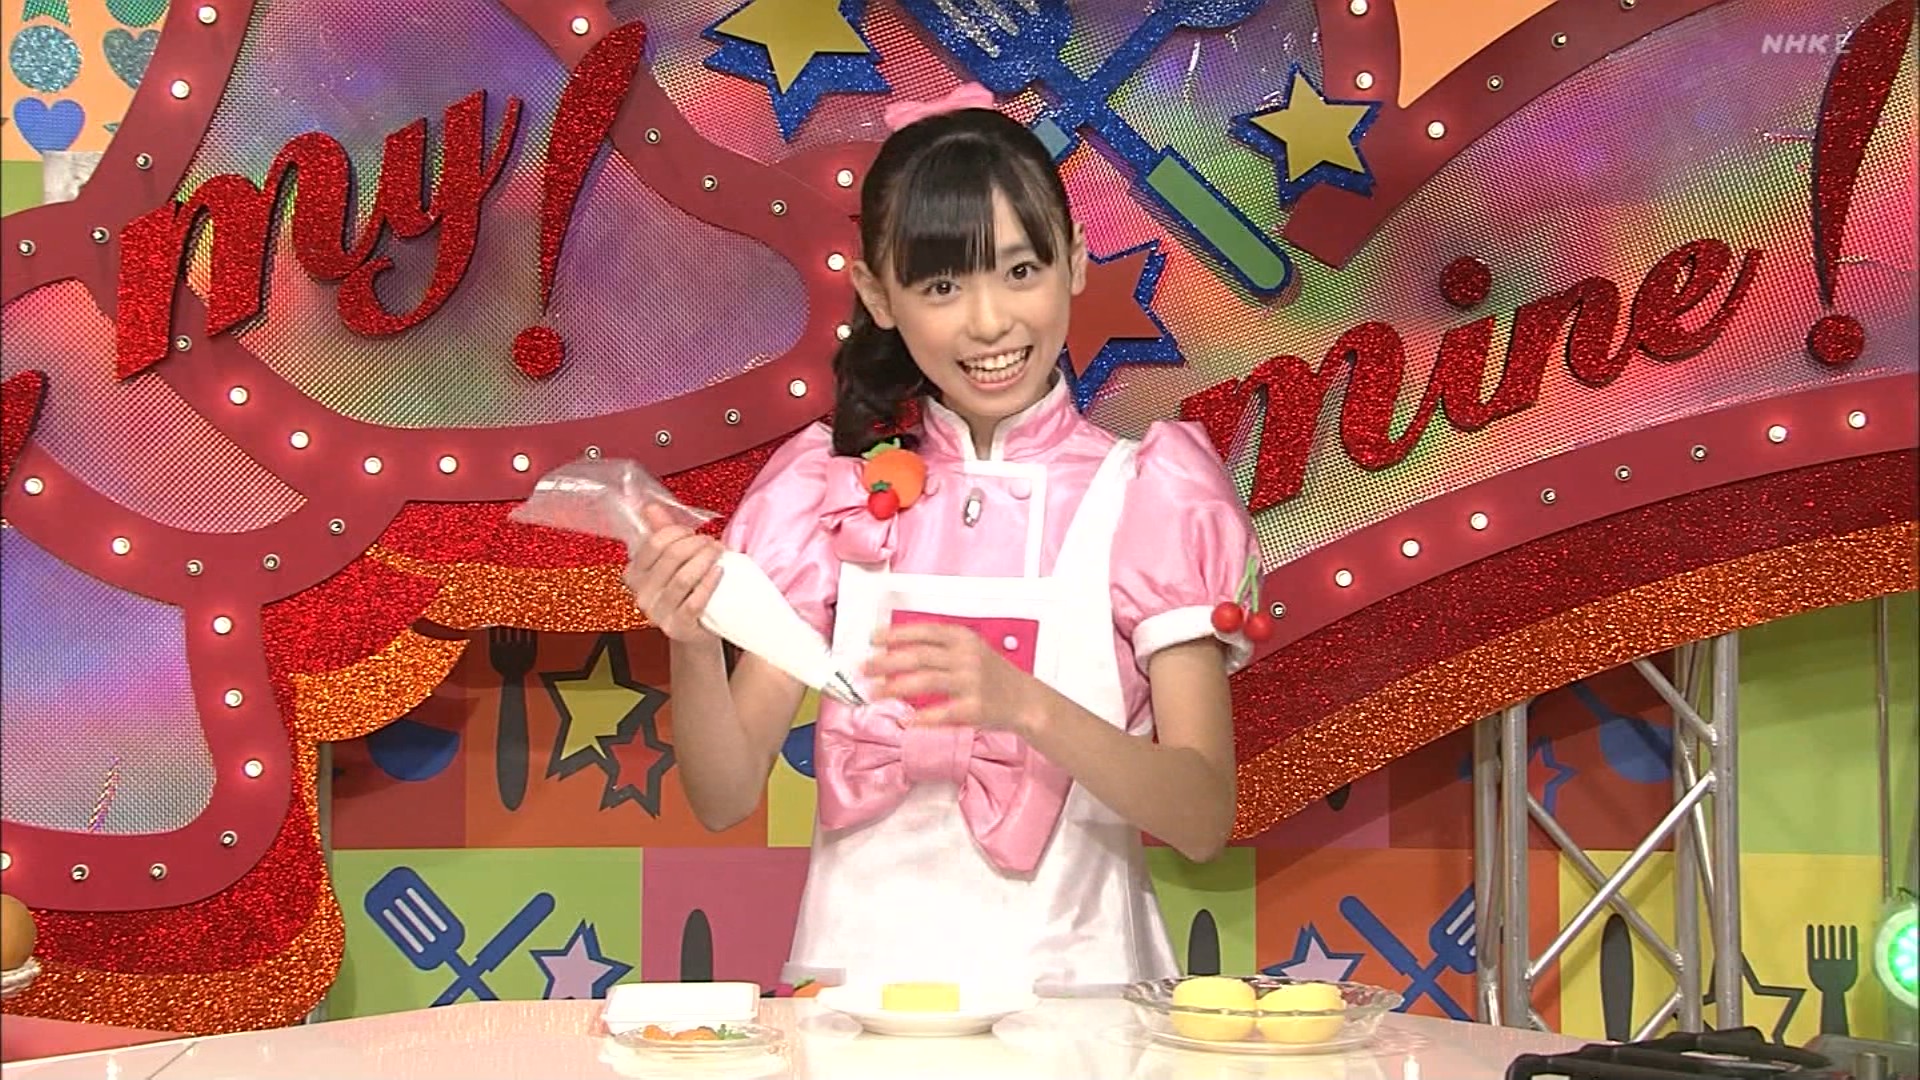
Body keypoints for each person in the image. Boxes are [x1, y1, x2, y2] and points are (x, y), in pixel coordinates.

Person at [624, 86, 1260, 994]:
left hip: (1081, 1011)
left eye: (1021, 270)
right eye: (941, 286)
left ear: (1076, 261)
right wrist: (690, 645)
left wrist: (1026, 707)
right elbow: (724, 798)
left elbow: (1201, 817)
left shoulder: (1147, 494)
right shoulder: (828, 489)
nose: (990, 321)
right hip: (862, 1010)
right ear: (877, 295)